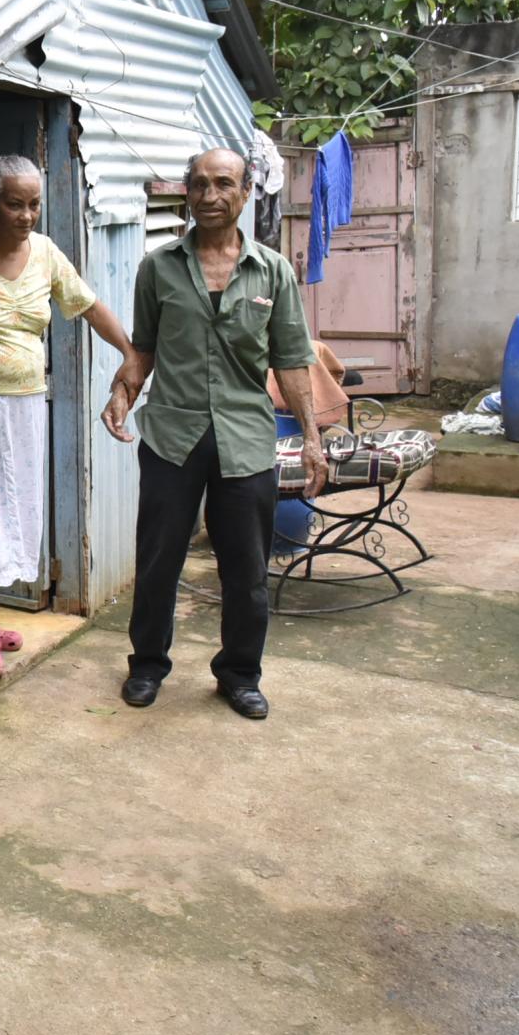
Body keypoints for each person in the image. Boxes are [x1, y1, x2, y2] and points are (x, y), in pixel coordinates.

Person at [101, 148, 326, 719]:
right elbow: (143, 347)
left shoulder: (271, 270)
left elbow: (293, 360)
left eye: (223, 183)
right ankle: (147, 665)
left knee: (247, 569)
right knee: (158, 561)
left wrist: (312, 437)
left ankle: (240, 674)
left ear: (246, 192)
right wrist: (122, 392)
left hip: (246, 438)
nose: (209, 195)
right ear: (187, 192)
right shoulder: (159, 267)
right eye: (198, 184)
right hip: (173, 436)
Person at [0, 155, 134, 680]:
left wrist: (131, 355)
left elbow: (87, 305)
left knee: (17, 510)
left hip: (25, 402)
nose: (26, 215)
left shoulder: (44, 253)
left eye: (34, 204)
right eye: (14, 204)